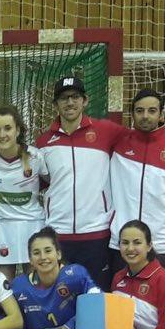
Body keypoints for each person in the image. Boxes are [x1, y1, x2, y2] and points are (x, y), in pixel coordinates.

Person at [34, 78, 128, 290]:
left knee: (96, 296)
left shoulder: (107, 131)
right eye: (63, 98)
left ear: (85, 101)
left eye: (75, 97)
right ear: (55, 104)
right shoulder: (43, 142)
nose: (70, 103)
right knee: (60, 297)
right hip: (57, 233)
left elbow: (140, 140)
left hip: (97, 232)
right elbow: (34, 181)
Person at [109, 89, 165, 285]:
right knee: (123, 307)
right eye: (139, 111)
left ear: (161, 115)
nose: (145, 116)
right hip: (124, 244)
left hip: (164, 243)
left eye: (151, 111)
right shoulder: (117, 143)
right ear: (132, 114)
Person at [0, 105, 44, 280]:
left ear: (18, 130)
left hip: (33, 225)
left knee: (35, 283)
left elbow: (51, 183)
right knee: (2, 286)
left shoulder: (36, 157)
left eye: (8, 128)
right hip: (1, 226)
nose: (2, 134)